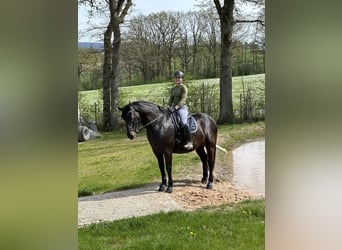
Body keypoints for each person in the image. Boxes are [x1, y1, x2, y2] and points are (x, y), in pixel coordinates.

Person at [167, 70, 193, 149]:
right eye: (176, 78)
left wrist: (177, 107)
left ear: (182, 79)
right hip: (173, 108)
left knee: (183, 122)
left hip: (182, 108)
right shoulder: (173, 88)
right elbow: (171, 98)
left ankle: (189, 141)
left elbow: (183, 99)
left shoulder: (184, 88)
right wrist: (168, 106)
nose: (177, 79)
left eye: (179, 78)